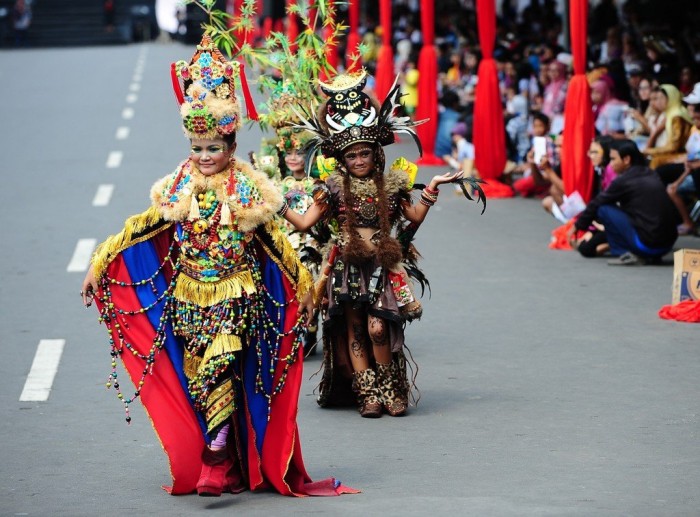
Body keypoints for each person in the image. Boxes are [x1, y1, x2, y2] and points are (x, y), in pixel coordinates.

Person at [80, 35, 357, 498]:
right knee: (199, 375)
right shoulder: (180, 182)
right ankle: (225, 462)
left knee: (221, 366)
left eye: (213, 148)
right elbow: (145, 225)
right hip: (188, 297)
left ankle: (213, 459)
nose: (205, 157)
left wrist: (304, 284)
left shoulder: (248, 185)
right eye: (198, 147)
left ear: (230, 144)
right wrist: (100, 261)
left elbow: (272, 237)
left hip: (237, 295)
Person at [281, 70, 476, 418]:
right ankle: (368, 394)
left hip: (382, 266)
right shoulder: (332, 188)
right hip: (346, 266)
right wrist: (272, 204)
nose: (358, 160)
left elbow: (413, 218)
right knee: (355, 329)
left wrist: (432, 188)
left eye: (364, 154)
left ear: (375, 154)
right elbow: (305, 222)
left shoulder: (393, 184)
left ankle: (391, 389)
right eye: (352, 155)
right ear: (343, 159)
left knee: (378, 327)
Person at [570, 139, 680, 266]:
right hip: (667, 245)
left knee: (603, 209)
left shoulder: (624, 180)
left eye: (613, 159)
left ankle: (623, 252)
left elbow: (598, 203)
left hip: (648, 244)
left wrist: (577, 226)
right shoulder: (651, 173)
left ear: (626, 159)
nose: (611, 164)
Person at [643, 84, 693, 169]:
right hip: (675, 152)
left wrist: (649, 151)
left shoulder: (677, 117)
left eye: (661, 98)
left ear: (670, 98)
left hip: (684, 154)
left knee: (655, 162)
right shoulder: (670, 114)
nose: (658, 102)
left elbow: (673, 147)